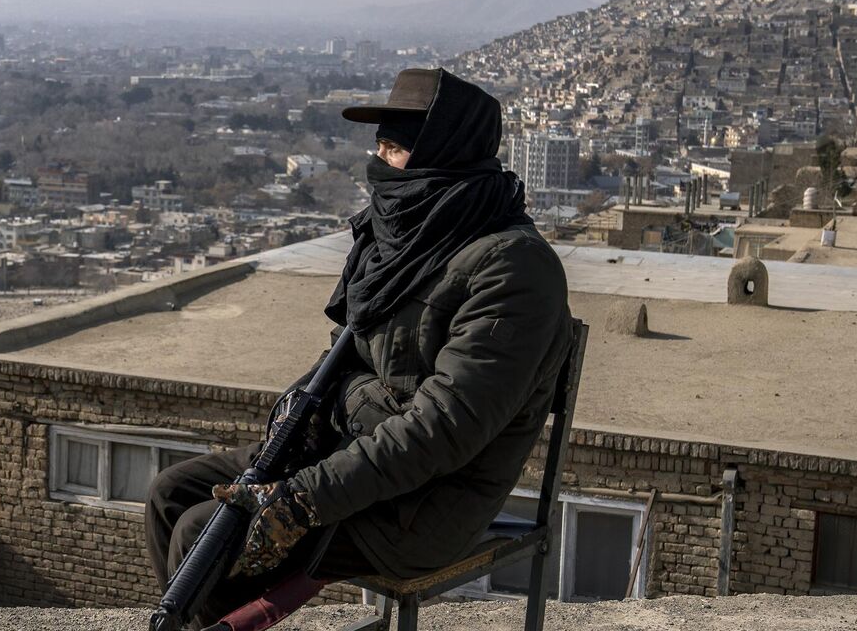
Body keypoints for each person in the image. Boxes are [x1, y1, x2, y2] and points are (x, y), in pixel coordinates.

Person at [146, 68, 574, 627]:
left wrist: (300, 499)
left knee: (204, 531)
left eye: (396, 147)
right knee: (170, 494)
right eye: (381, 144)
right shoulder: (406, 237)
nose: (380, 160)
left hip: (423, 503)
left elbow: (441, 432)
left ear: (445, 151)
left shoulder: (512, 267)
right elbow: (347, 354)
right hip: (348, 453)